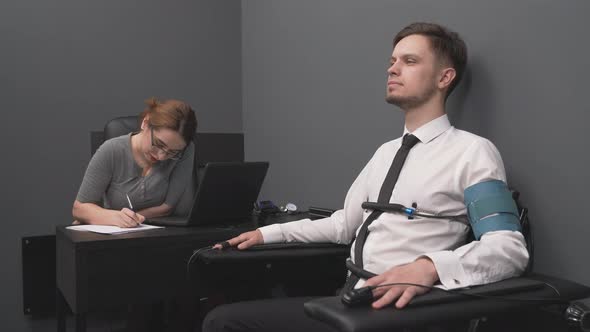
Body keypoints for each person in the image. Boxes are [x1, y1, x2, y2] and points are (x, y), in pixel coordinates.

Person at [203, 22, 529, 332]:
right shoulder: (385, 153)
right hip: (348, 297)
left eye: (410, 61)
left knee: (225, 323)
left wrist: (429, 267)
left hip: (397, 312)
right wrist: (267, 235)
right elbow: (344, 225)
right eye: (392, 61)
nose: (392, 68)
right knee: (223, 317)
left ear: (445, 77)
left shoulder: (472, 152)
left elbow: (508, 249)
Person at [73, 97, 197, 227]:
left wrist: (134, 218)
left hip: (159, 231)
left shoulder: (185, 151)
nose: (161, 156)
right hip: (113, 234)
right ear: (145, 122)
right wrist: (109, 217)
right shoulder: (111, 150)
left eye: (172, 152)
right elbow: (79, 208)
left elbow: (167, 207)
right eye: (158, 144)